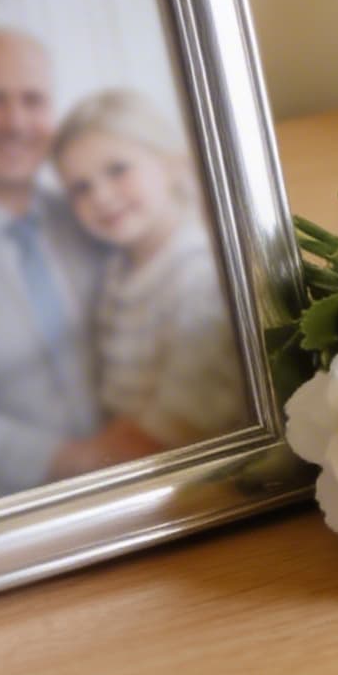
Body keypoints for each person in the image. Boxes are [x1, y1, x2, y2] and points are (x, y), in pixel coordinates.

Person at [0, 29, 161, 503]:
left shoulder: (89, 214)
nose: (16, 121)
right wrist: (89, 458)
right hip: (7, 506)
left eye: (33, 100)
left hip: (142, 479)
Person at [52, 88, 248, 451]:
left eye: (117, 170)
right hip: (126, 441)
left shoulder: (200, 275)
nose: (101, 196)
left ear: (172, 165)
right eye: (80, 188)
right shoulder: (117, 271)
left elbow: (181, 423)